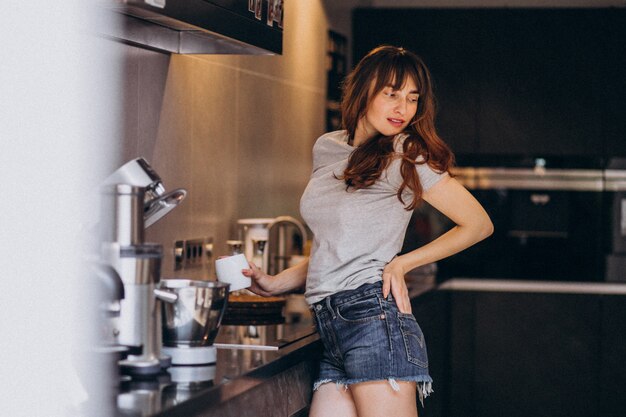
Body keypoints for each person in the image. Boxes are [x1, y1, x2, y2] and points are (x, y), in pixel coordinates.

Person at [242, 45, 493, 417]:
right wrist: (277, 283)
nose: (402, 108)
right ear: (363, 90)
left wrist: (402, 263)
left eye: (412, 98)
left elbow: (478, 224)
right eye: (391, 94)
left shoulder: (406, 152)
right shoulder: (327, 147)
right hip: (331, 325)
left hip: (374, 322)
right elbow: (337, 248)